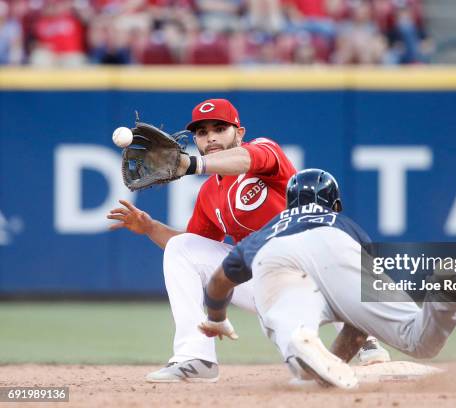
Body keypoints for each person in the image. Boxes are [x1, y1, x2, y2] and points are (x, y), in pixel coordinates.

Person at [107, 99, 389, 382]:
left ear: (239, 133)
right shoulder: (208, 194)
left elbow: (246, 159)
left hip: (309, 274)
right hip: (266, 283)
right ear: (195, 139)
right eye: (202, 133)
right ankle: (195, 358)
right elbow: (194, 251)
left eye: (220, 128)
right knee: (182, 248)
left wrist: (193, 163)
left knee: (324, 260)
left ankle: (364, 339)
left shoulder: (265, 152)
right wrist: (150, 227)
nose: (211, 137)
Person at [199, 168, 456, 388]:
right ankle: (443, 292)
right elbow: (358, 327)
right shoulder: (347, 225)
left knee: (300, 355)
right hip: (337, 246)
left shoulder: (268, 230)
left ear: (289, 204)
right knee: (418, 341)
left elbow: (218, 282)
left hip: (274, 256)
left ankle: (300, 336)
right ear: (335, 205)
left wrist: (217, 318)